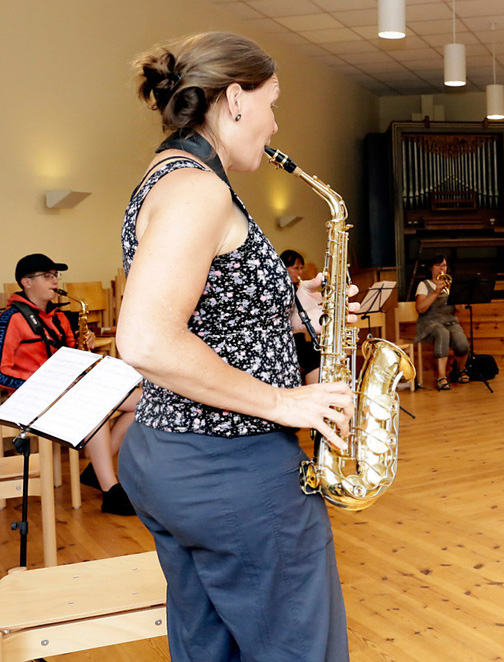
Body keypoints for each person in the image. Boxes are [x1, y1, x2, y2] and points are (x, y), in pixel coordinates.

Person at [116, 32, 353, 661]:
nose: (275, 124)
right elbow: (145, 338)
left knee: (208, 647)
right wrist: (285, 403)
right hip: (231, 465)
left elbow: (207, 310)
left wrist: (294, 309)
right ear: (236, 99)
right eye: (273, 103)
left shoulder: (171, 176)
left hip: (177, 456)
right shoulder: (198, 188)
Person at [0, 253, 139, 516]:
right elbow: (0, 371)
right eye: (47, 276)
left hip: (66, 390)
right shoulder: (11, 319)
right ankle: (110, 490)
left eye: (56, 275)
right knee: (94, 410)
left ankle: (96, 469)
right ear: (26, 283)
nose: (55, 281)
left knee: (143, 402)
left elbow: (70, 359)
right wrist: (38, 385)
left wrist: (84, 346)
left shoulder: (60, 317)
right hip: (30, 397)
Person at [414, 254, 470, 391]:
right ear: (431, 268)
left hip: (450, 321)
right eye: (438, 265)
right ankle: (441, 376)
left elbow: (459, 309)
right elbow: (420, 308)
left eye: (444, 265)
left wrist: (457, 294)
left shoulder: (450, 284)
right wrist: (435, 293)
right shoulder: (424, 285)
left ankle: (461, 370)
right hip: (429, 322)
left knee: (462, 343)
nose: (441, 269)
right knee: (442, 333)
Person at [281, 249, 321, 384]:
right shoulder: (283, 290)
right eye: (295, 268)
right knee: (313, 355)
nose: (299, 272)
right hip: (288, 341)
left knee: (316, 351)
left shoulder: (298, 288)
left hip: (299, 339)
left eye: (301, 268)